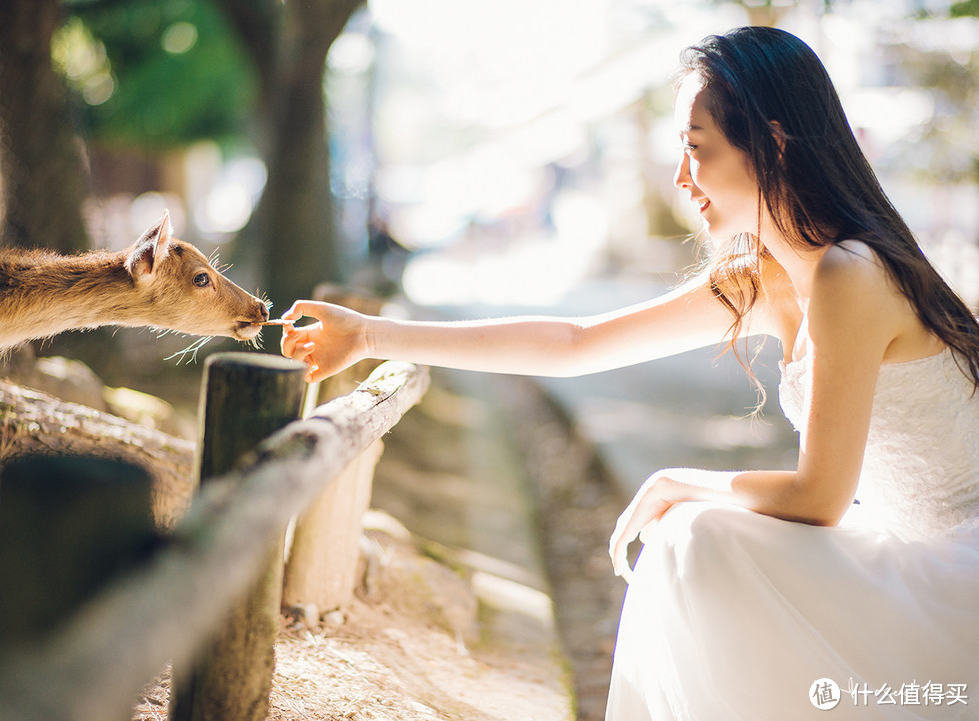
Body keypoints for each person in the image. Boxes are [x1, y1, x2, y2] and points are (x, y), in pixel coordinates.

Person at [281, 25, 979, 720]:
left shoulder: (850, 272)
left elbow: (821, 494)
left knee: (694, 536)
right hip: (906, 564)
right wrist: (370, 334)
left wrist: (676, 480)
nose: (681, 177)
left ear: (773, 142)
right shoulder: (766, 279)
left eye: (696, 149)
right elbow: (576, 342)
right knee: (694, 539)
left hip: (956, 587)